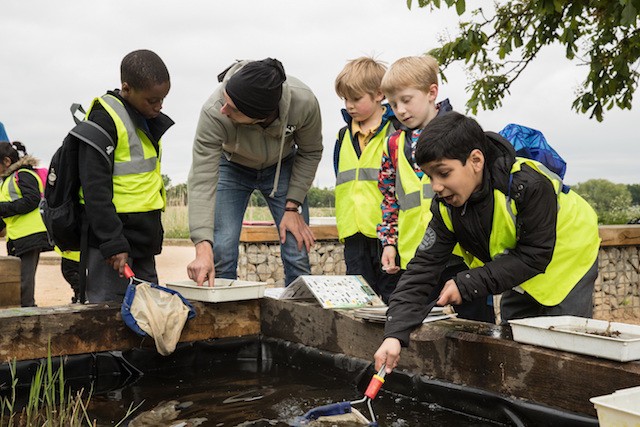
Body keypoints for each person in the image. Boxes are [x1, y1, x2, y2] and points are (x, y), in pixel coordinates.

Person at [374, 112, 600, 373]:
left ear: (476, 160)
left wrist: (467, 282)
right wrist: (394, 334)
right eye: (429, 176)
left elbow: (534, 255)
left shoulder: (528, 185)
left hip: (567, 261)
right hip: (515, 268)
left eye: (444, 173)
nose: (435, 187)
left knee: (565, 348)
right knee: (514, 341)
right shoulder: (446, 206)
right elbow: (422, 269)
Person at [377, 56, 494, 322]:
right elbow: (389, 199)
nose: (400, 110)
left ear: (432, 92)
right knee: (419, 328)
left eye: (406, 100)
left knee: (475, 324)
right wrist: (389, 243)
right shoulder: (393, 145)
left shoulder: (459, 133)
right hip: (415, 255)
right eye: (393, 104)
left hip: (461, 254)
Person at [187, 58, 323, 287]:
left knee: (296, 250)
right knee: (222, 251)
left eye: (232, 108)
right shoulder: (214, 111)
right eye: (225, 100)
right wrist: (202, 246)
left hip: (282, 166)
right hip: (231, 166)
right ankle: (224, 316)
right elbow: (202, 178)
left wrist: (293, 205)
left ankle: (303, 318)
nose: (223, 109)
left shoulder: (304, 102)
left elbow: (311, 151)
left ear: (258, 116)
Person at [78, 49, 173, 303]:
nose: (159, 106)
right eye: (152, 100)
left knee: (148, 314)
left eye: (163, 99)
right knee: (109, 319)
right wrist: (112, 243)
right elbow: (94, 187)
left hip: (143, 237)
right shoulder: (104, 118)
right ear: (127, 88)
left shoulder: (143, 118)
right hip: (114, 242)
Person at [333, 57, 400, 302]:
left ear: (379, 94)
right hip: (353, 235)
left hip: (388, 235)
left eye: (356, 99)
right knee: (359, 303)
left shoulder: (396, 132)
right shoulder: (342, 136)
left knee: (395, 299)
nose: (349, 106)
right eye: (345, 100)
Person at [0, 141, 53, 306]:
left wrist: (2, 208)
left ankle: (28, 313)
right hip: (17, 235)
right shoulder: (7, 180)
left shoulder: (23, 174)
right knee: (16, 278)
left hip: (30, 234)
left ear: (7, 161)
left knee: (24, 280)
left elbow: (32, 199)